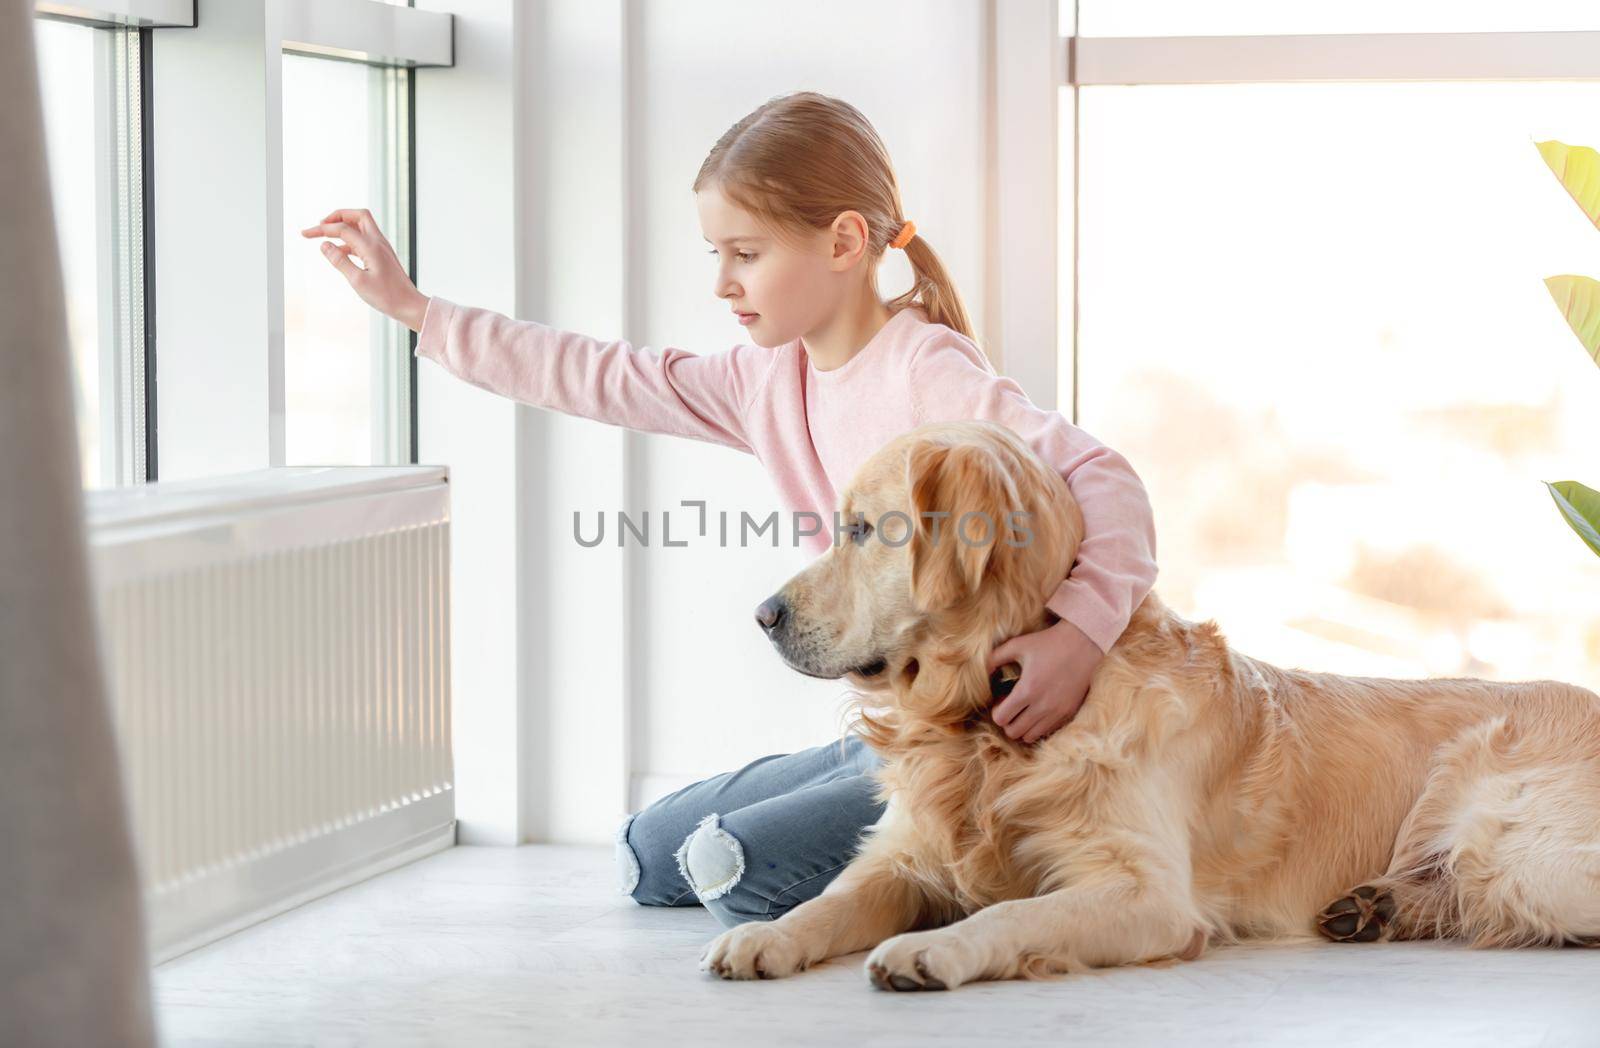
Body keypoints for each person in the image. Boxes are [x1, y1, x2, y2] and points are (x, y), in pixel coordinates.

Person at [302, 91, 1158, 930]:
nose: (722, 283)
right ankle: (852, 774)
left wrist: (1079, 638)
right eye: (716, 253)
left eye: (744, 254)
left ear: (845, 242)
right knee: (646, 852)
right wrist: (417, 311)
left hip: (998, 739)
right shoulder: (764, 381)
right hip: (906, 726)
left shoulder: (928, 371)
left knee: (736, 876)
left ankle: (948, 847)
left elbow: (1106, 477)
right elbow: (604, 374)